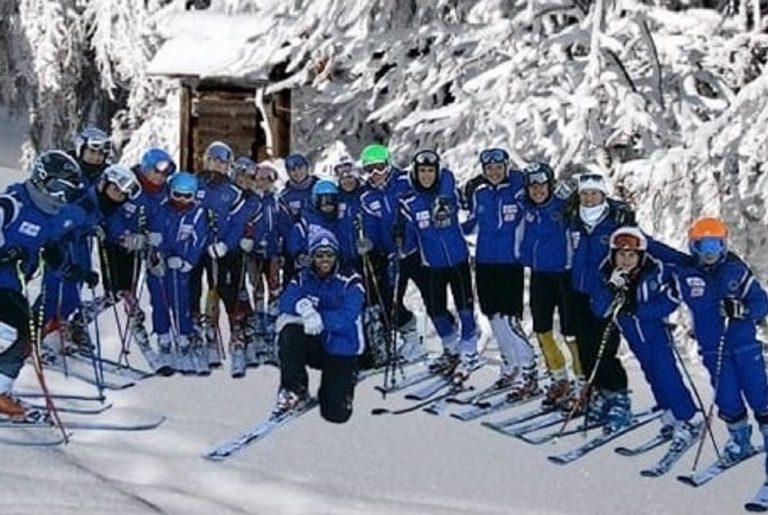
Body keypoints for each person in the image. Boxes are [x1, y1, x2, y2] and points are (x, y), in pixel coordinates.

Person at [670, 218, 768, 470]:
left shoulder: (736, 270)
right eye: (703, 245)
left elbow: (761, 302)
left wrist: (742, 309)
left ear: (723, 245)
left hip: (744, 346)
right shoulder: (687, 274)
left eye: (715, 245)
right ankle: (739, 440)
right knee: (726, 396)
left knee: (759, 394)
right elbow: (667, 293)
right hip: (713, 349)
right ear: (694, 246)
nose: (710, 252)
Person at [0, 150, 88, 419]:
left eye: (67, 191)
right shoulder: (12, 204)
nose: (60, 196)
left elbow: (49, 248)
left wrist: (69, 269)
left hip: (11, 286)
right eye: (56, 187)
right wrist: (4, 254)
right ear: (41, 179)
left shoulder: (50, 216)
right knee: (22, 331)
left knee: (28, 332)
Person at [592, 226, 700, 437]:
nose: (626, 260)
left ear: (640, 256)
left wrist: (644, 309)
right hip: (633, 334)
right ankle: (668, 411)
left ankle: (687, 415)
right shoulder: (607, 273)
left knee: (666, 373)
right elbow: (600, 310)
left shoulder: (655, 269)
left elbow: (676, 289)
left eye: (632, 255)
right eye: (621, 255)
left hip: (655, 331)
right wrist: (611, 288)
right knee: (651, 372)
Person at [463, 149, 536, 398]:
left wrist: (516, 177)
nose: (494, 172)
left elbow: (533, 189)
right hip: (485, 262)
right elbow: (472, 223)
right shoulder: (480, 194)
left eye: (498, 167)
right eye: (489, 169)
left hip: (510, 263)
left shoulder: (517, 190)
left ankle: (528, 369)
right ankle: (510, 364)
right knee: (493, 315)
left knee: (510, 318)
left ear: (506, 167)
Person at [401, 149, 478, 382]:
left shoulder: (448, 191)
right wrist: (399, 240)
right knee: (435, 310)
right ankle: (451, 349)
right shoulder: (411, 203)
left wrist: (444, 198)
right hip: (432, 264)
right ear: (415, 174)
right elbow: (409, 240)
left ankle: (469, 350)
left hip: (458, 260)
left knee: (464, 308)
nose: (427, 175)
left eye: (431, 171)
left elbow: (449, 179)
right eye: (422, 171)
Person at [273, 226, 364, 423]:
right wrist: (303, 307)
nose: (325, 260)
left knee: (335, 413)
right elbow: (286, 300)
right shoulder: (303, 276)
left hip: (341, 347)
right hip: (315, 343)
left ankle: (345, 381)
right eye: (319, 255)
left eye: (329, 255)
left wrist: (321, 319)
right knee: (289, 331)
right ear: (312, 256)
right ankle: (294, 390)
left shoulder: (350, 281)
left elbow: (347, 316)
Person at [568, 170, 635, 425]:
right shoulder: (574, 219)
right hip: (579, 291)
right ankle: (599, 393)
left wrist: (622, 277)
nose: (589, 198)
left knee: (604, 350)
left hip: (605, 292)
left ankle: (618, 398)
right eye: (584, 194)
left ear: (603, 195)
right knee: (585, 349)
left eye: (594, 194)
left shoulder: (616, 221)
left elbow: (636, 249)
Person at [518, 162, 580, 407]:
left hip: (565, 275)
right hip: (539, 275)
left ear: (551, 184)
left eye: (542, 185)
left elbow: (593, 204)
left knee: (570, 331)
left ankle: (582, 383)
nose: (537, 190)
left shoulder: (564, 205)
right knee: (541, 328)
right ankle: (559, 378)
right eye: (532, 186)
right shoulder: (525, 206)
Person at [358, 143, 425, 362]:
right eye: (369, 169)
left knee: (433, 297)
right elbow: (372, 228)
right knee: (389, 301)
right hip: (393, 255)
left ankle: (452, 341)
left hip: (417, 251)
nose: (375, 174)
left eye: (380, 167)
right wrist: (370, 245)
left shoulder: (406, 181)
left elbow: (421, 205)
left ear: (389, 165)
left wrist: (408, 229)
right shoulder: (367, 197)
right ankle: (411, 337)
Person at [190, 141, 249, 370]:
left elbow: (238, 224)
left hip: (221, 249)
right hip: (196, 248)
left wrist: (226, 244)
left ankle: (237, 337)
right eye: (214, 160)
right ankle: (200, 335)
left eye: (223, 162)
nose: (217, 165)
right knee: (193, 289)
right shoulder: (194, 184)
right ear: (206, 160)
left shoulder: (232, 192)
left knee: (225, 288)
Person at [146, 171, 210, 373]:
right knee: (159, 300)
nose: (181, 199)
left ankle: (184, 336)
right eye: (177, 194)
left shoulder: (196, 214)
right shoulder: (162, 209)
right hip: (160, 265)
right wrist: (156, 248)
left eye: (187, 195)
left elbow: (199, 240)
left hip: (179, 267)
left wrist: (187, 262)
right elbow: (154, 230)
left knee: (180, 301)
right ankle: (163, 336)